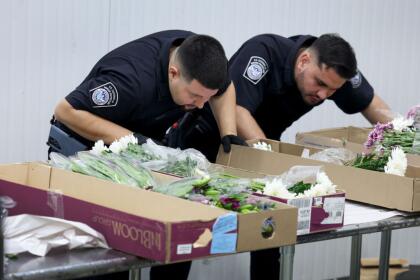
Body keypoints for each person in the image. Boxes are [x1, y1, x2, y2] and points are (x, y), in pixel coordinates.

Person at [179, 33, 392, 280]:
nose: (323, 95)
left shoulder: (334, 71)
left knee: (271, 231)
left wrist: (406, 139)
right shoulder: (263, 52)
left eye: (332, 90)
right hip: (207, 141)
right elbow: (237, 109)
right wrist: (271, 157)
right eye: (319, 83)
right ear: (303, 61)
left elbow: (371, 104)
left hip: (262, 147)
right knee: (188, 232)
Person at [47, 29, 245, 280]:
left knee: (178, 229)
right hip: (84, 149)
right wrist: (133, 140)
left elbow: (225, 89)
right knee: (110, 254)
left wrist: (228, 132)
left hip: (137, 148)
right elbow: (67, 111)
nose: (199, 105)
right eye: (195, 96)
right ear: (173, 73)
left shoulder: (200, 58)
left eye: (206, 97)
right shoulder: (130, 79)